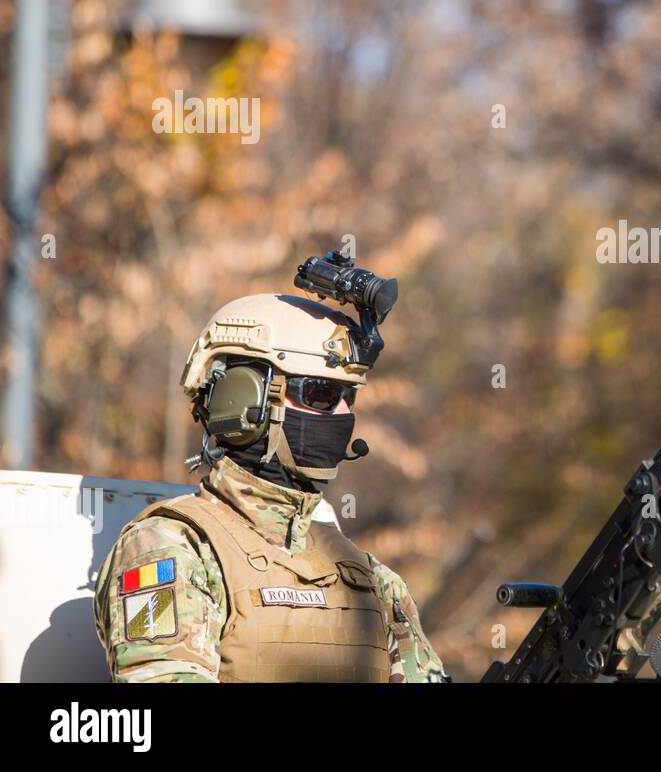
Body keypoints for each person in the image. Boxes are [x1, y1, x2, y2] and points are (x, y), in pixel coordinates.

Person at [94, 264, 448, 683]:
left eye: (348, 397)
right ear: (243, 401)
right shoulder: (172, 549)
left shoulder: (372, 580)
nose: (342, 414)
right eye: (320, 394)